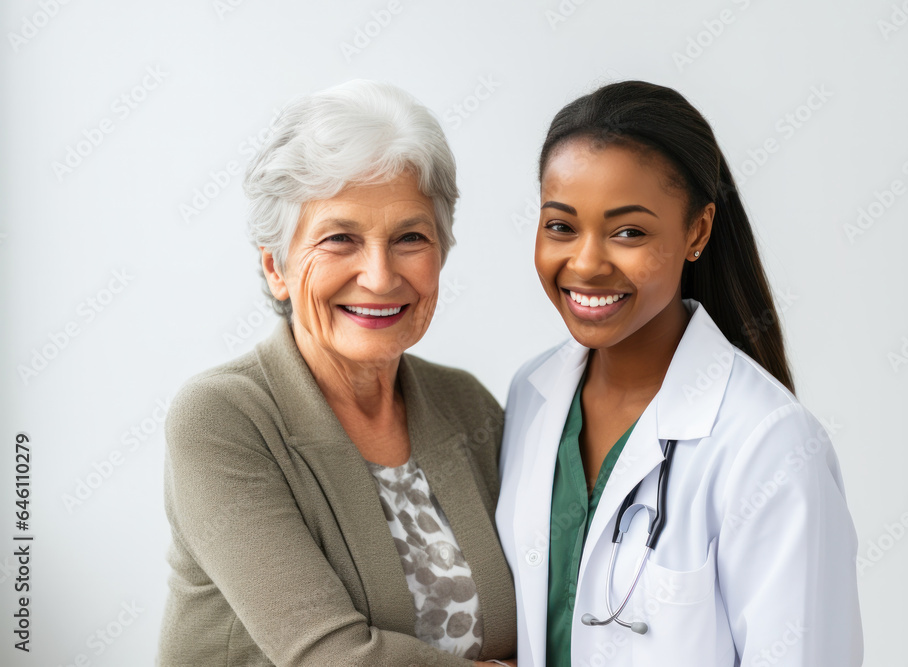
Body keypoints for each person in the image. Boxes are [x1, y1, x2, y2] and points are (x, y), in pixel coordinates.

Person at [496, 81, 863, 666]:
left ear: (697, 231)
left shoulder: (770, 445)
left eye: (629, 232)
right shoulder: (531, 394)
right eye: (561, 226)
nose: (585, 263)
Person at [158, 80, 517, 666]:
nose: (379, 276)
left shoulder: (467, 404)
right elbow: (329, 657)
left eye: (410, 237)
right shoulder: (222, 418)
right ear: (276, 268)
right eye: (340, 238)